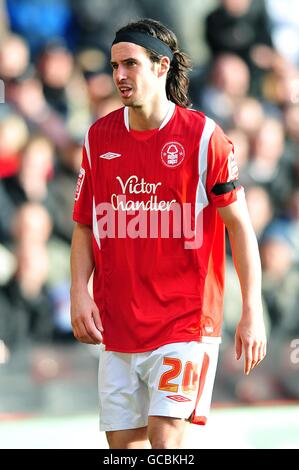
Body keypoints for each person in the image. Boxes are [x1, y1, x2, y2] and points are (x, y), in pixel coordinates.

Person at [70, 18, 267, 449]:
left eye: (130, 64)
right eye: (114, 66)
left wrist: (253, 309)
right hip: (118, 325)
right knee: (125, 450)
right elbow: (84, 224)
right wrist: (79, 292)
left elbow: (241, 228)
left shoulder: (203, 138)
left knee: (166, 445)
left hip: (185, 324)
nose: (119, 75)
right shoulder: (98, 137)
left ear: (161, 67)